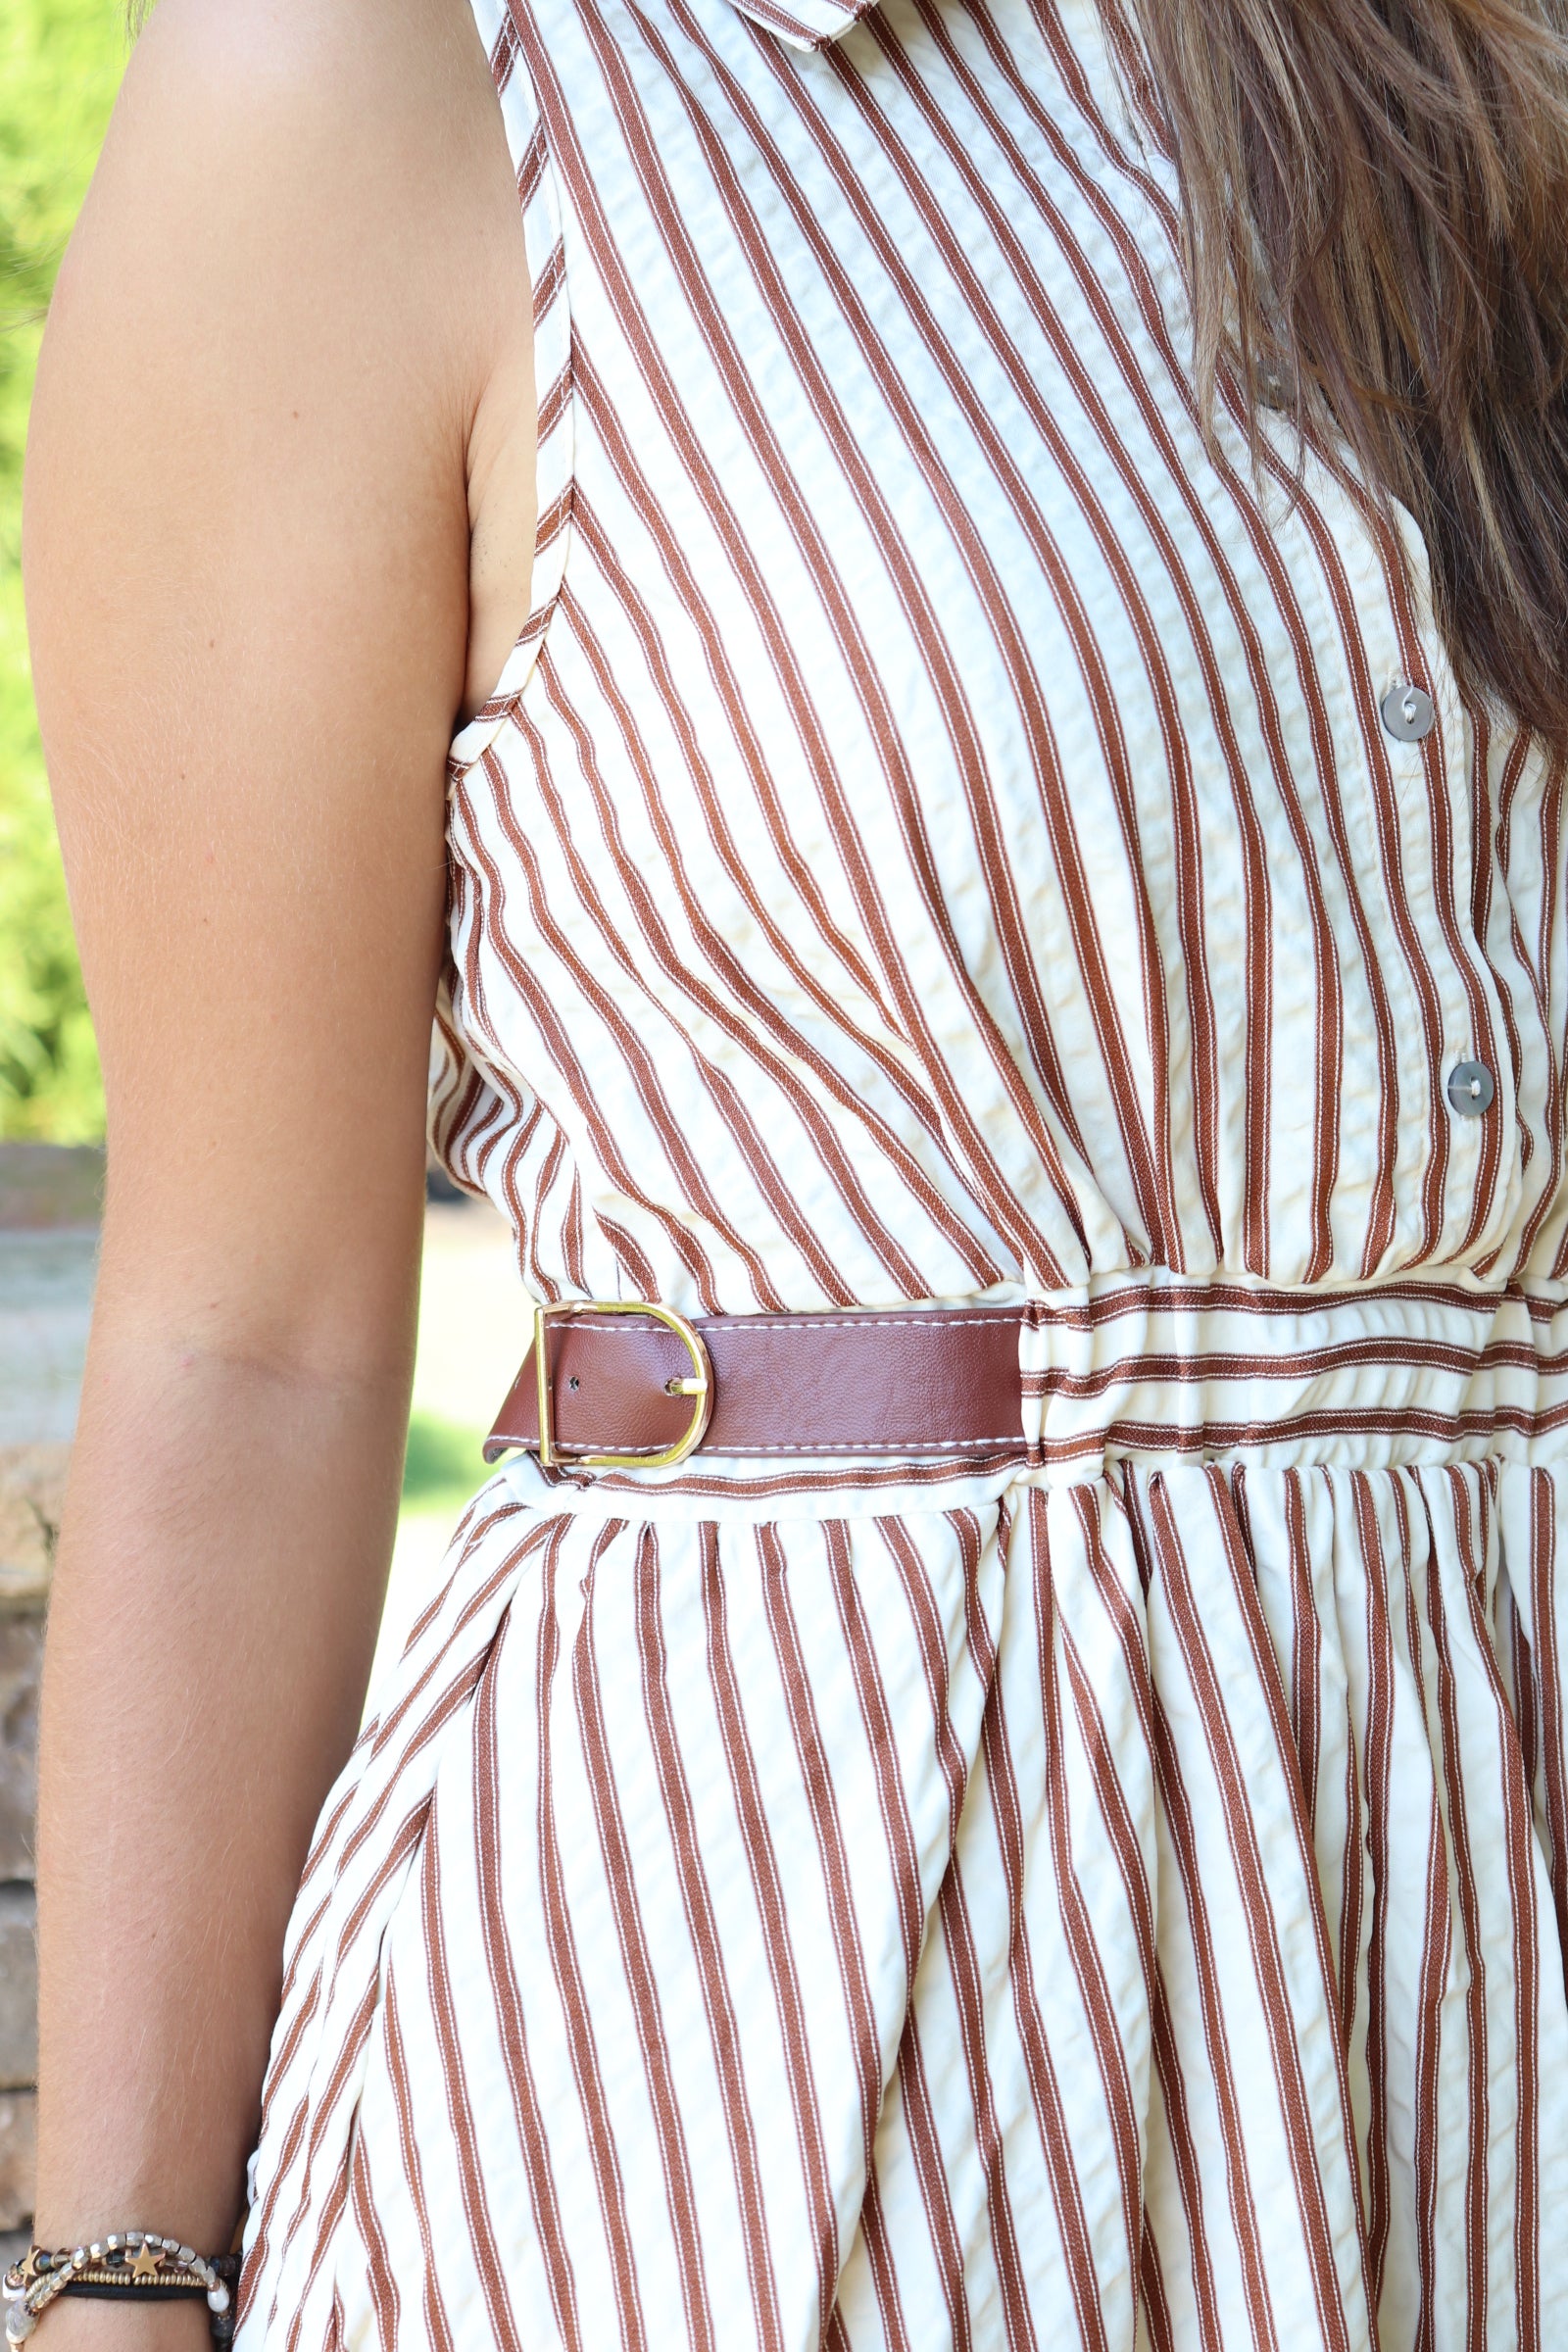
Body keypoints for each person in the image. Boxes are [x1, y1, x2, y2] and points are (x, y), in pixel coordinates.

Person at [19, 0, 1568, 2339]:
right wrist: (117, 2279)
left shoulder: (1468, 72)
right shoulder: (374, 81)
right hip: (799, 2013)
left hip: (1496, 1977)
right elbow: (254, 1340)